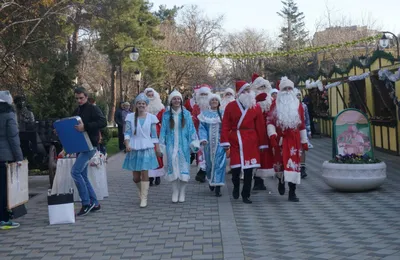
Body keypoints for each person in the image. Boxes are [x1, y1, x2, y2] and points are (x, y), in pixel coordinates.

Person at [221, 81, 268, 204]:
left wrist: (262, 143)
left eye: (249, 90)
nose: (248, 93)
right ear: (239, 93)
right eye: (245, 91)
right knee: (236, 169)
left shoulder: (255, 107)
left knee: (249, 170)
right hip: (235, 139)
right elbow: (225, 124)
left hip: (251, 141)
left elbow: (260, 126)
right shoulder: (230, 106)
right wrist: (225, 141)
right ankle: (236, 186)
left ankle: (246, 194)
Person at [266, 77, 308, 202]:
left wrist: (304, 140)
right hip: (280, 139)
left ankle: (292, 192)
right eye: (285, 88)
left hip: (294, 139)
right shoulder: (275, 104)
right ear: (280, 90)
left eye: (290, 88)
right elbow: (270, 121)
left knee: (293, 165)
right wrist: (272, 135)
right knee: (280, 164)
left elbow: (302, 124)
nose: (288, 91)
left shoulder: (298, 104)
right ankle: (280, 180)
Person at [71, 87, 107, 216]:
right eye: (77, 98)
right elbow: (74, 127)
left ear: (86, 97)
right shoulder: (77, 110)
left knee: (75, 172)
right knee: (83, 175)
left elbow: (103, 121)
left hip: (90, 145)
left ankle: (86, 203)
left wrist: (85, 127)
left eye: (81, 98)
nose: (79, 100)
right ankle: (95, 203)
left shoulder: (93, 108)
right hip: (80, 146)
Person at [159, 90, 200, 203]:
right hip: (171, 146)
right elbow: (163, 131)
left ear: (181, 100)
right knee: (173, 167)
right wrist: (161, 145)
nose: (176, 100)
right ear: (171, 101)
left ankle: (182, 191)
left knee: (183, 168)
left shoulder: (186, 114)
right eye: (174, 99)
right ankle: (175, 191)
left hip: (184, 146)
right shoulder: (166, 115)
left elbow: (191, 129)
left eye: (178, 99)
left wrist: (194, 142)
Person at [123, 93, 161, 208]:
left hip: (147, 147)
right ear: (136, 105)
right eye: (139, 103)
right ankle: (141, 191)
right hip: (134, 147)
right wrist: (127, 144)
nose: (141, 105)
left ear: (146, 105)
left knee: (145, 172)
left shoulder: (151, 118)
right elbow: (127, 133)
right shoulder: (130, 117)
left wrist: (157, 148)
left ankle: (144, 197)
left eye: (143, 103)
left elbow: (154, 135)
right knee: (135, 177)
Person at [0, 91, 23, 230]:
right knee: (4, 190)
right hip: (5, 157)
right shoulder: (9, 115)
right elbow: (13, 138)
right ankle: (4, 219)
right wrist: (19, 158)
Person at [198, 94, 227, 197]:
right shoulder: (204, 114)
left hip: (220, 144)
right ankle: (211, 180)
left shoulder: (223, 114)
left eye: (216, 100)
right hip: (208, 144)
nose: (214, 101)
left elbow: (226, 129)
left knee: (219, 164)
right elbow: (202, 128)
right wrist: (203, 139)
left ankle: (218, 187)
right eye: (212, 100)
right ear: (209, 102)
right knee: (210, 164)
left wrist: (226, 141)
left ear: (219, 102)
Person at [250, 73, 275, 191]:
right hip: (254, 133)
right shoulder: (251, 101)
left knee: (265, 156)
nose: (262, 90)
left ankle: (261, 180)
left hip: (268, 132)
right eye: (260, 88)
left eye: (264, 87)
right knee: (255, 156)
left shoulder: (271, 100)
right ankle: (256, 180)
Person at [144, 88, 166, 186]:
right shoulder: (143, 107)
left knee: (158, 154)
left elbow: (164, 122)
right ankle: (150, 176)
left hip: (157, 133)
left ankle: (157, 175)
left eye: (152, 95)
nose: (150, 97)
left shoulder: (161, 108)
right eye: (148, 95)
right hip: (146, 134)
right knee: (147, 155)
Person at [192, 85, 212, 183]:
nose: (204, 96)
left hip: (212, 133)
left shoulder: (213, 105)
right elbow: (194, 119)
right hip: (199, 133)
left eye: (205, 94)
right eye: (202, 94)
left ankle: (208, 172)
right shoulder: (196, 106)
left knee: (210, 153)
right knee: (201, 153)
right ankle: (202, 172)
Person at [295, 89, 311, 179]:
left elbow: (307, 118)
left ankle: (303, 168)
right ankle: (296, 166)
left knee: (303, 148)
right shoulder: (292, 106)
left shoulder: (304, 106)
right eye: (296, 95)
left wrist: (309, 131)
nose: (298, 97)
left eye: (299, 95)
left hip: (303, 129)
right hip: (294, 130)